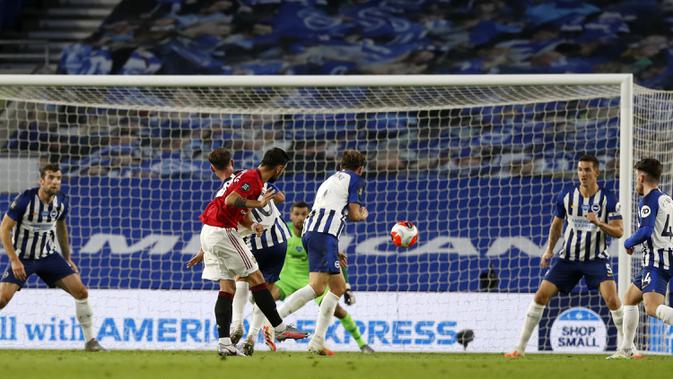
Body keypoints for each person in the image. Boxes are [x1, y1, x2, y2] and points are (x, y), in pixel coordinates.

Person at [505, 155, 624, 358]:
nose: (582, 174)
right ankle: (520, 348)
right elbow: (557, 224)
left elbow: (619, 231)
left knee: (612, 300)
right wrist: (549, 250)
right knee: (541, 295)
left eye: (587, 170)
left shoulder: (609, 198)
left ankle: (628, 348)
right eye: (580, 169)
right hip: (568, 258)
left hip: (596, 258)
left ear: (596, 172)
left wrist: (598, 223)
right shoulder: (567, 195)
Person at [197, 147, 308, 357]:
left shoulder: (247, 178)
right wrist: (259, 202)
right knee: (256, 278)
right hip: (223, 232)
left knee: (228, 287)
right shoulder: (251, 179)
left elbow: (233, 207)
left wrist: (252, 225)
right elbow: (231, 200)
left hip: (209, 232)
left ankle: (225, 342)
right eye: (282, 169)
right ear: (278, 168)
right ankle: (279, 328)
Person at [242, 201, 374, 355]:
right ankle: (251, 339)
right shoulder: (283, 231)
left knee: (337, 310)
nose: (300, 218)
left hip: (313, 278)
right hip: (286, 280)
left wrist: (348, 288)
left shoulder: (316, 232)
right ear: (291, 215)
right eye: (296, 214)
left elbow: (337, 262)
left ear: (309, 215)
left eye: (304, 214)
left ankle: (362, 344)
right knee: (265, 300)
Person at [272, 150, 369, 356]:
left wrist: (332, 249)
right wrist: (362, 215)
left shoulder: (331, 179)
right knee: (317, 287)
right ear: (360, 168)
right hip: (324, 234)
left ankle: (317, 342)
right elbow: (353, 213)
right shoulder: (356, 179)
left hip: (314, 233)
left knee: (338, 287)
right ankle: (274, 323)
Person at [0, 163, 105, 351]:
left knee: (81, 292)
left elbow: (61, 228)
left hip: (49, 257)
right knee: (2, 300)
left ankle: (91, 342)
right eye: (51, 178)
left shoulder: (62, 201)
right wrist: (14, 260)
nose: (55, 182)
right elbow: (4, 229)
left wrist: (67, 257)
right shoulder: (25, 200)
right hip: (23, 258)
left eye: (58, 178)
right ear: (42, 181)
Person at [609, 158, 673, 359]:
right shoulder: (667, 199)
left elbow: (646, 231)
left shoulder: (648, 200)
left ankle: (626, 349)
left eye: (636, 177)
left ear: (642, 177)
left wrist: (628, 242)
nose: (636, 182)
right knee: (629, 297)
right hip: (663, 257)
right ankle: (626, 349)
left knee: (652, 308)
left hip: (656, 261)